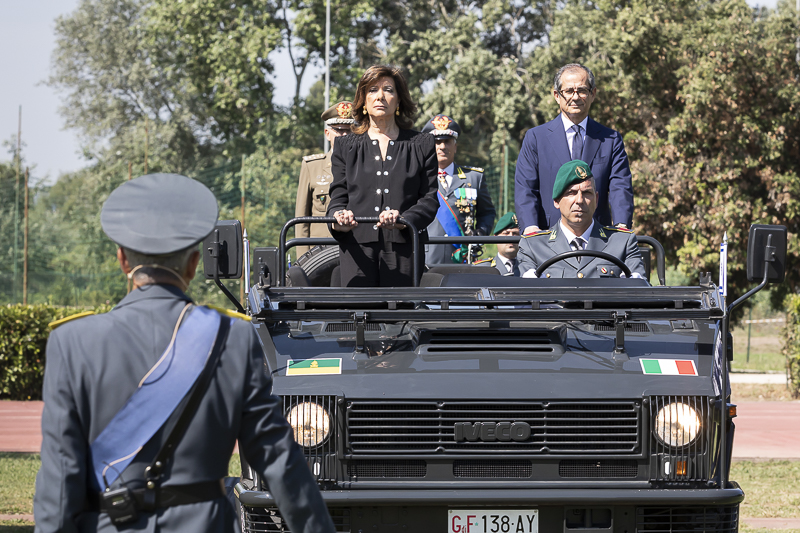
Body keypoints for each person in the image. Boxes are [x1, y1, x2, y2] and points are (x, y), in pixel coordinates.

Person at [34, 173, 335, 533]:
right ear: (194, 265)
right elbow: (280, 462)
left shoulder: (72, 343)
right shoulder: (233, 338)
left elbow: (60, 480)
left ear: (122, 261)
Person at [327, 65, 438, 287]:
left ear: (399, 100)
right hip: (356, 249)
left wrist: (404, 220)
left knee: (401, 317)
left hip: (405, 250)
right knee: (358, 318)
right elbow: (338, 197)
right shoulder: (345, 145)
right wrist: (339, 218)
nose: (380, 96)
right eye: (372, 90)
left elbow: (429, 199)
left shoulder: (421, 144)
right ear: (363, 102)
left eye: (388, 89)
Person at [514, 63, 634, 235]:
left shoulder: (611, 140)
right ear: (557, 95)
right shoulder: (536, 138)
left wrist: (622, 225)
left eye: (582, 91)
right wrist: (530, 227)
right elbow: (525, 188)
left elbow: (620, 186)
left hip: (598, 240)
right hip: (548, 240)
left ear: (593, 94)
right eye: (569, 91)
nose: (575, 97)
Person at [518, 161, 646, 280]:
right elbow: (526, 298)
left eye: (586, 193)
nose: (579, 200)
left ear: (596, 199)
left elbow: (638, 293)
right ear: (556, 201)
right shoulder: (533, 246)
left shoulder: (622, 243)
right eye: (571, 193)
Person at [421, 115, 496, 265]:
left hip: (462, 258)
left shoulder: (474, 178)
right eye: (438, 142)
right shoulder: (417, 178)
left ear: (455, 146)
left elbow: (487, 213)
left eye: (447, 142)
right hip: (426, 258)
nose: (443, 147)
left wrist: (479, 235)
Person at [294, 101, 354, 256]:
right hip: (319, 254)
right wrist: (303, 261)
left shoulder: (366, 166)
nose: (345, 136)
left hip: (355, 251)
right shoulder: (312, 166)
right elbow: (302, 219)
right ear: (328, 134)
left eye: (349, 131)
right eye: (340, 131)